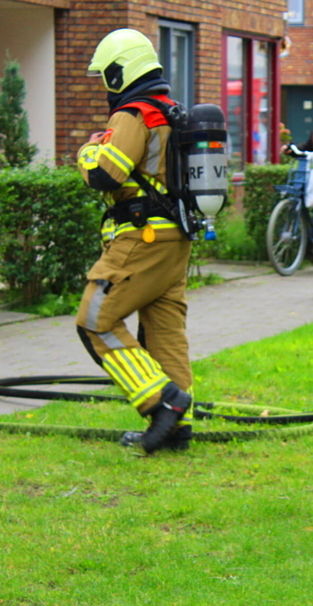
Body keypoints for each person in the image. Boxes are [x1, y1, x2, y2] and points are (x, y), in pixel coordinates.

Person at [75, 28, 193, 454]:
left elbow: (106, 174)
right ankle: (178, 430)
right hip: (175, 239)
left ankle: (162, 403)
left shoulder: (134, 113)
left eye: (105, 75)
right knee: (165, 332)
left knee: (94, 317)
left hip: (141, 237)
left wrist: (88, 151)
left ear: (118, 72)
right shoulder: (171, 110)